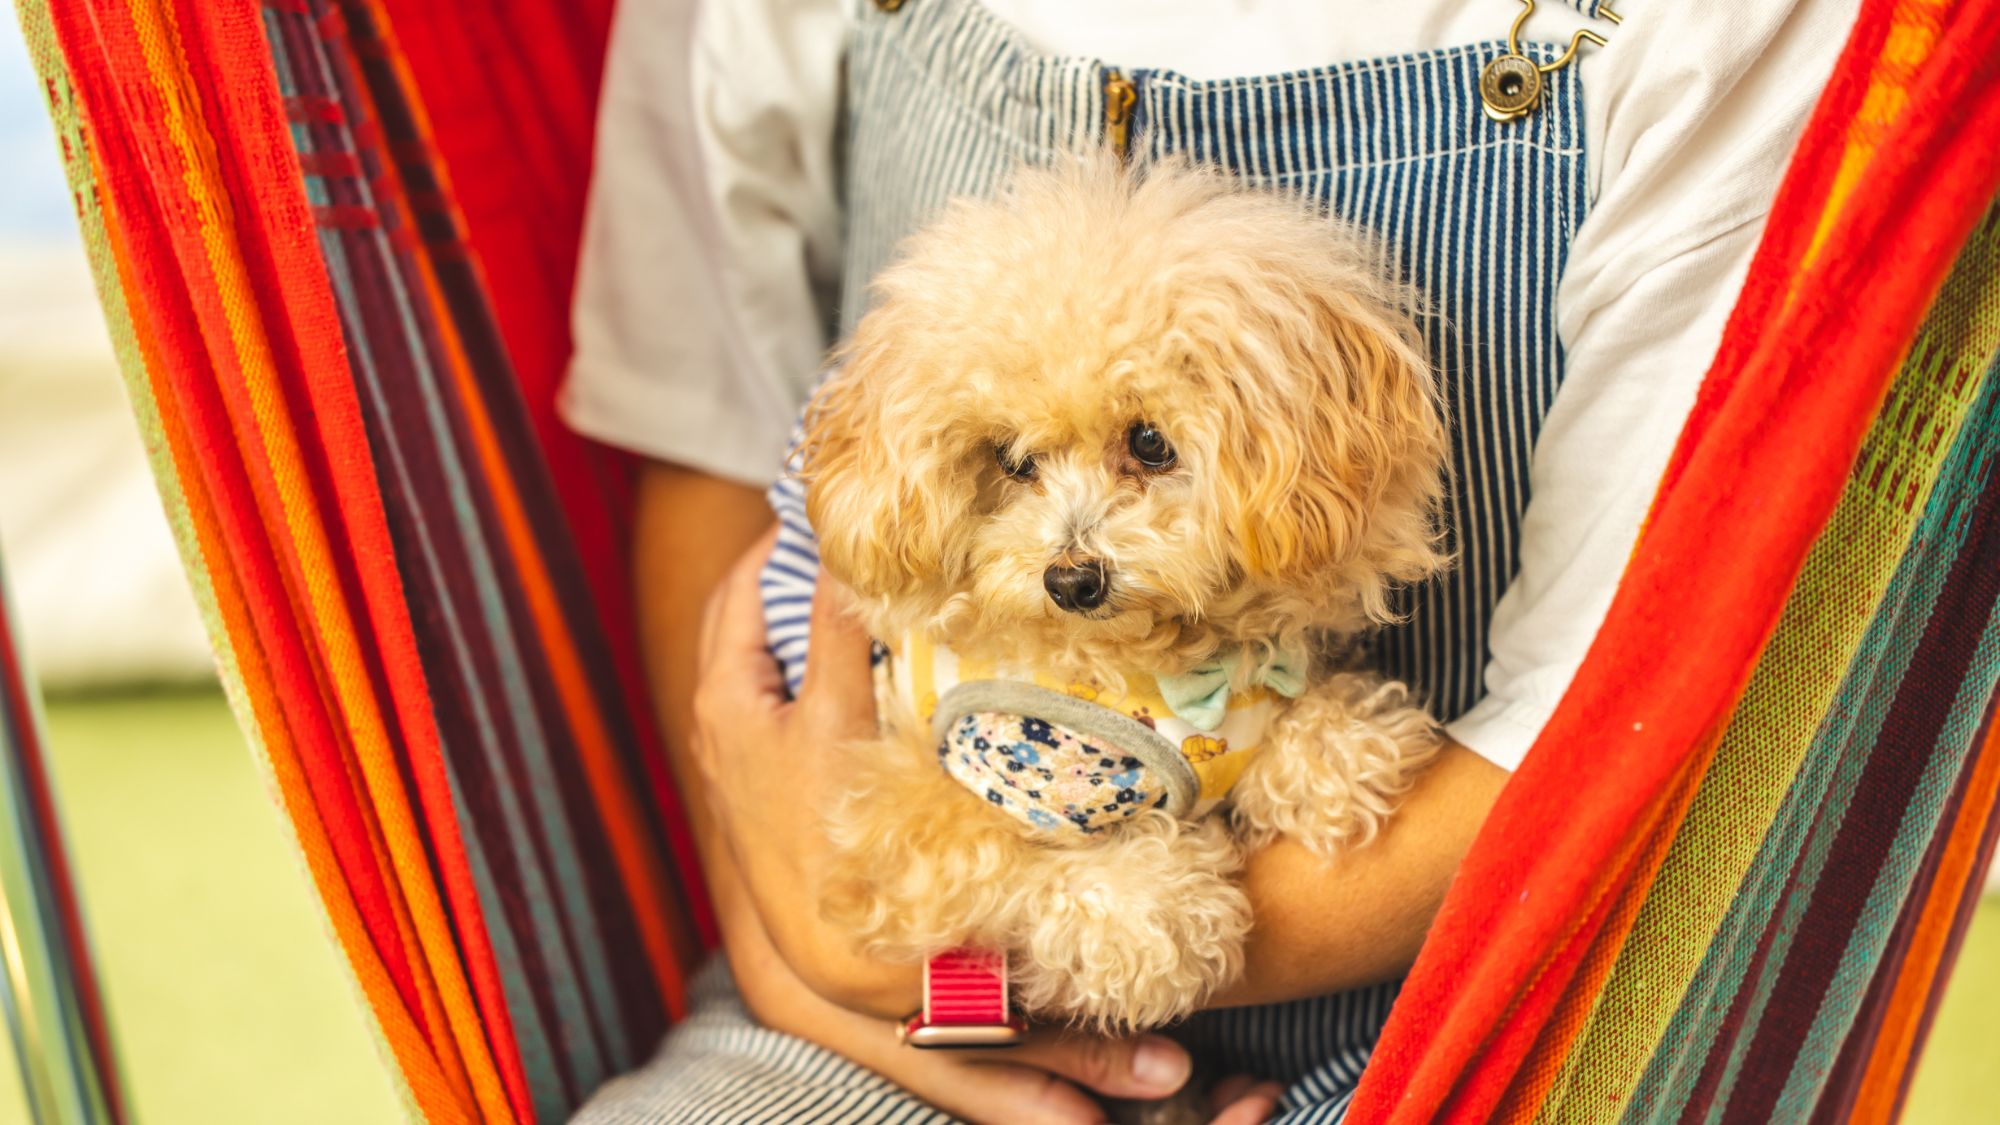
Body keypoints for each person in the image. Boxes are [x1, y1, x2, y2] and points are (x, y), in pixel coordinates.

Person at [560, 1, 1855, 1120]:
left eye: (1142, 451)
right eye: (1020, 463)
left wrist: (983, 970)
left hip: (1448, 1022)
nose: (1071, 548)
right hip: (854, 972)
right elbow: (709, 432)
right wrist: (806, 932)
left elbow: (1599, 716)